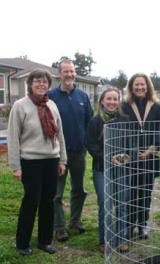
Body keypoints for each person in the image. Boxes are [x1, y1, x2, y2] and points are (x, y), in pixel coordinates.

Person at [7, 69, 67, 255]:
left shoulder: (52, 105)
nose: (41, 84)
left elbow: (60, 135)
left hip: (51, 160)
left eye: (45, 82)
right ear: (30, 84)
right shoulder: (20, 106)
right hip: (30, 162)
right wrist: (16, 166)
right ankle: (22, 243)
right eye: (37, 81)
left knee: (48, 200)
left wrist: (62, 160)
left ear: (49, 85)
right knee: (31, 201)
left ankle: (45, 241)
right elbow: (13, 137)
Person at [49, 60, 93, 242]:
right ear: (59, 74)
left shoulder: (83, 97)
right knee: (56, 192)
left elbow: (89, 123)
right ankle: (58, 227)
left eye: (72, 71)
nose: (69, 75)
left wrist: (87, 144)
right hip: (57, 153)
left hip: (78, 152)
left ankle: (75, 221)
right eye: (66, 71)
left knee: (79, 189)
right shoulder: (51, 96)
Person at [86, 87, 130, 254]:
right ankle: (105, 240)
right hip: (101, 169)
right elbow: (91, 146)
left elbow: (131, 143)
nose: (112, 102)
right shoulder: (95, 122)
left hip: (121, 169)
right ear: (102, 101)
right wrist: (108, 157)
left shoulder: (125, 120)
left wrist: (127, 155)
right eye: (109, 99)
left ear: (119, 102)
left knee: (121, 203)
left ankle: (121, 239)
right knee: (105, 203)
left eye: (115, 99)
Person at [122, 73, 160, 239]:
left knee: (146, 193)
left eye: (143, 85)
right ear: (131, 87)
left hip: (149, 158)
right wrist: (128, 152)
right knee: (131, 193)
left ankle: (142, 225)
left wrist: (151, 150)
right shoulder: (124, 106)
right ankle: (130, 224)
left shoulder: (156, 107)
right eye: (136, 85)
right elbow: (120, 131)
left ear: (148, 86)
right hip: (130, 159)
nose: (140, 88)